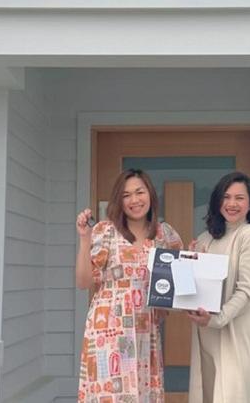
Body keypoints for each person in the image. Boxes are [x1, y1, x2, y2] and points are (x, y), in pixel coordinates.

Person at [75, 168, 183, 402]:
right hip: (108, 330)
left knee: (142, 393)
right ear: (119, 201)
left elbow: (178, 282)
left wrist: (195, 260)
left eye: (139, 192)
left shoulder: (164, 235)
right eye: (126, 195)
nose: (134, 200)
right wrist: (84, 239)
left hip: (145, 329)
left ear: (150, 194)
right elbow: (83, 282)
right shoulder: (105, 231)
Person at [187, 171, 250, 403]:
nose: (232, 203)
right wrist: (190, 263)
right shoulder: (205, 238)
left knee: (231, 396)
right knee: (206, 394)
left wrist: (216, 318)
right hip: (206, 336)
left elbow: (246, 292)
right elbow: (197, 288)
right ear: (217, 201)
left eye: (239, 198)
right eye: (226, 197)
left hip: (233, 336)